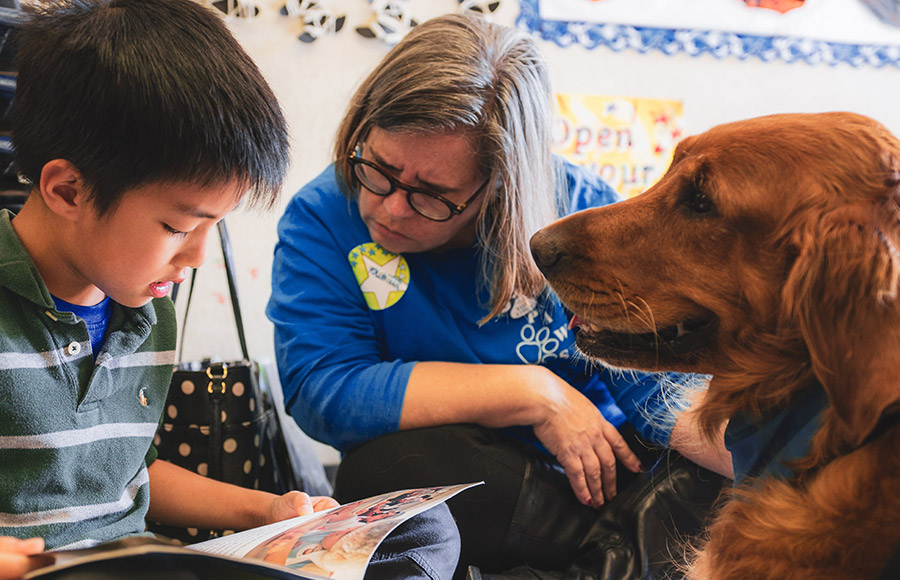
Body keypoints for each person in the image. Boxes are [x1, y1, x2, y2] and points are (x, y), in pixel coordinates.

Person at [0, 2, 459, 579]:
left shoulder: (146, 311)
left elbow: (130, 474)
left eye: (215, 226)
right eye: (178, 228)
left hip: (140, 562)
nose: (197, 256)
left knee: (423, 531)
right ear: (68, 191)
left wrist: (271, 512)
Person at [267, 13, 726, 578]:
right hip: (483, 486)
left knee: (717, 478)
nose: (387, 209)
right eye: (378, 168)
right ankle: (613, 559)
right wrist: (533, 393)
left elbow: (660, 390)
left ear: (502, 185)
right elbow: (325, 387)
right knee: (381, 471)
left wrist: (766, 458)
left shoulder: (580, 210)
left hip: (602, 473)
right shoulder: (320, 217)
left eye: (433, 196)